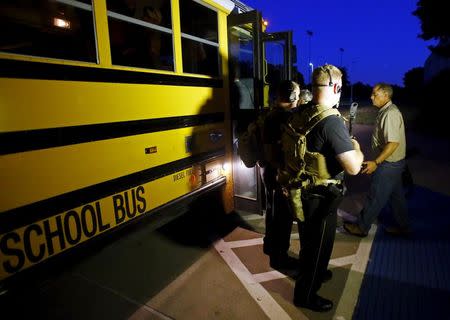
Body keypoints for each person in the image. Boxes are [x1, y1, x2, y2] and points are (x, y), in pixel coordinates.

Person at [289, 65, 364, 312]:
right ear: (335, 87)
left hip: (302, 190)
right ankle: (306, 295)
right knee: (318, 248)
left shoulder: (303, 112)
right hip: (321, 197)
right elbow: (353, 167)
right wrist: (357, 147)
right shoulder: (331, 121)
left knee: (310, 244)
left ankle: (316, 275)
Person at [344, 83, 410, 237]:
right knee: (397, 197)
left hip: (389, 164)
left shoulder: (390, 114)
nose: (371, 96)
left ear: (386, 95)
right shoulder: (385, 111)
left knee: (375, 196)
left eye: (375, 94)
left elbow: (393, 143)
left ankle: (361, 227)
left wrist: (376, 162)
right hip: (394, 163)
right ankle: (404, 226)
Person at [262, 80, 300, 270]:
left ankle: (269, 245)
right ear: (293, 96)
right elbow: (272, 152)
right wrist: (283, 174)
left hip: (269, 172)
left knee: (272, 211)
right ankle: (279, 258)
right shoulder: (285, 118)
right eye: (298, 94)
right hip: (279, 173)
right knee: (283, 218)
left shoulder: (271, 114)